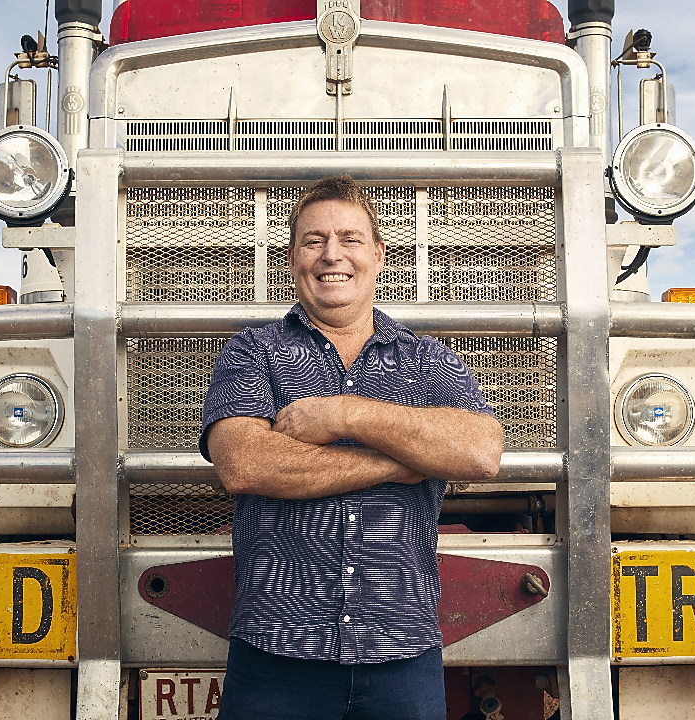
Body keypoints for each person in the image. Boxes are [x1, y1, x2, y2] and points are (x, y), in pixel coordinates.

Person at [200, 175, 505, 720]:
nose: (331, 255)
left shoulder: (426, 359)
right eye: (313, 240)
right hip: (276, 652)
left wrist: (345, 412)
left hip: (402, 654)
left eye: (350, 239)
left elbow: (480, 451)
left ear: (380, 256)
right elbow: (245, 464)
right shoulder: (252, 352)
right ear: (292, 258)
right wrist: (401, 459)